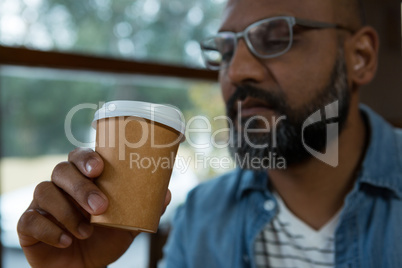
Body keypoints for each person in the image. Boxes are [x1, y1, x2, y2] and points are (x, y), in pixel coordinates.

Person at [17, 0, 402, 267]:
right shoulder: (201, 216)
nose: (236, 71)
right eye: (225, 50)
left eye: (274, 37)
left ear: (360, 57)